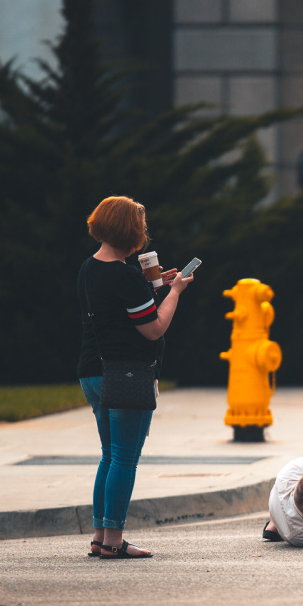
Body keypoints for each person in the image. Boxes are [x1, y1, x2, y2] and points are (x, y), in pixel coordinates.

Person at [78, 196, 193, 558]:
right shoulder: (126, 276)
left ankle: (100, 536)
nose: (144, 233)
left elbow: (117, 309)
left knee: (109, 455)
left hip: (93, 371)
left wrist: (152, 286)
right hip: (126, 374)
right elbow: (153, 328)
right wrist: (174, 292)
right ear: (130, 232)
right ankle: (114, 541)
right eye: (141, 227)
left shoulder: (90, 268)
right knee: (125, 459)